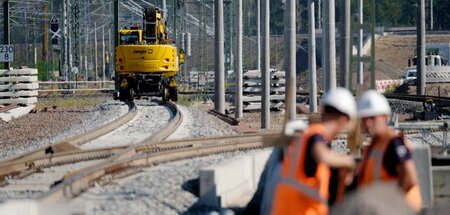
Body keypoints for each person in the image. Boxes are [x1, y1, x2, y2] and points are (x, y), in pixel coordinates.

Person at [265, 87, 357, 215]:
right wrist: (348, 161)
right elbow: (321, 154)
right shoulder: (315, 136)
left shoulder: (307, 137)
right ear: (344, 119)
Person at [356, 90, 422, 212]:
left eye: (372, 118)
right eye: (364, 119)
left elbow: (410, 177)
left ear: (385, 117)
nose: (368, 123)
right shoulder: (374, 147)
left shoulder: (393, 142)